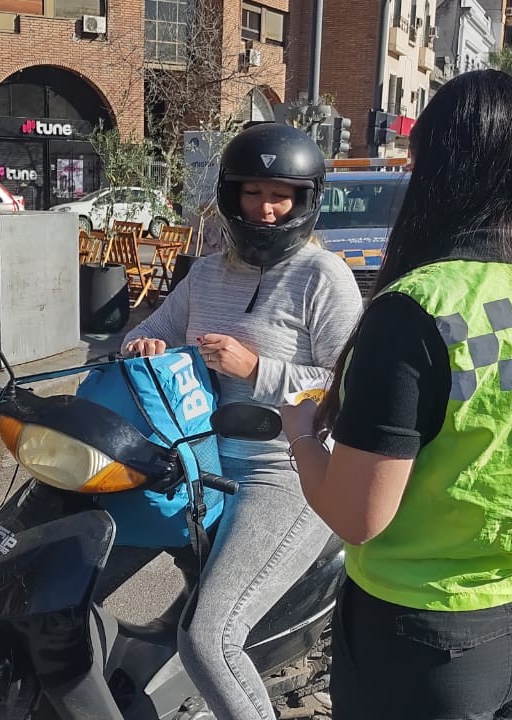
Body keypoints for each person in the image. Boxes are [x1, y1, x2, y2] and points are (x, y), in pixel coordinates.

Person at [281, 70, 512, 720]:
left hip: (430, 634)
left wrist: (302, 436)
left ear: (439, 169)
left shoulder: (419, 310)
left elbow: (358, 516)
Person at [111, 122, 363, 720]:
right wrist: (143, 345)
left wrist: (258, 370)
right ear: (232, 196)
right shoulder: (205, 274)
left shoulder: (322, 278)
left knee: (207, 639)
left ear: (304, 201)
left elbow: (351, 386)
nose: (267, 209)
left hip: (286, 472)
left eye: (281, 196)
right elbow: (147, 331)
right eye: (253, 193)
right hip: (197, 461)